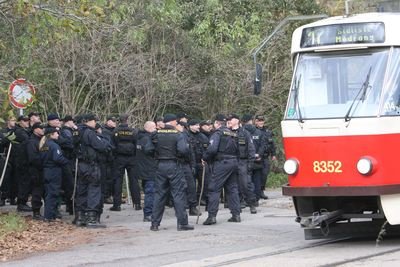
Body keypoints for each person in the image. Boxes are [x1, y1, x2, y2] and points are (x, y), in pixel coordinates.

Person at [149, 113, 194, 231]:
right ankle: (182, 223)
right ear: (173, 122)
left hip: (160, 165)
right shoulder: (178, 134)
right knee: (178, 194)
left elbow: (148, 149)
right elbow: (183, 150)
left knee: (159, 195)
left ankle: (154, 224)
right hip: (174, 165)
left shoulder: (156, 134)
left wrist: (156, 155)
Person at [203, 114, 241, 225]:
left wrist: (204, 157)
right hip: (233, 163)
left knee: (214, 189)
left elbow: (212, 149)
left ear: (217, 123)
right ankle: (236, 215)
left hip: (222, 163)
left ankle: (212, 216)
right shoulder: (233, 134)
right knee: (232, 189)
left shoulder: (218, 133)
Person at [75, 114, 109, 228]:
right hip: (91, 165)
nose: (95, 123)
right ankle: (91, 218)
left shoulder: (76, 131)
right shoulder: (90, 132)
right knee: (94, 190)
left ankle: (80, 217)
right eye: (94, 121)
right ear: (89, 121)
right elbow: (101, 146)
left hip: (81, 164)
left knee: (82, 190)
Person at [110, 114, 141, 211]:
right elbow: (137, 144)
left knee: (118, 181)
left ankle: (117, 205)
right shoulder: (134, 131)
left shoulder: (115, 131)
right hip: (131, 158)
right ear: (127, 120)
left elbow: (113, 145)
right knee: (134, 181)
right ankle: (137, 204)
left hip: (119, 158)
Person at [228, 114, 257, 214]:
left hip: (242, 161)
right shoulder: (227, 132)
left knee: (245, 184)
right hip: (230, 161)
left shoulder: (245, 133)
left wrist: (250, 163)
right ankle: (237, 205)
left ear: (236, 120)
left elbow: (251, 149)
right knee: (232, 185)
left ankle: (252, 204)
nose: (229, 121)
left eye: (231, 119)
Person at [39, 127, 70, 221]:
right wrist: (66, 161)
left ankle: (49, 215)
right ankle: (49, 216)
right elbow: (57, 158)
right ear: (51, 134)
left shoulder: (44, 145)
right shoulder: (53, 145)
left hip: (46, 171)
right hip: (54, 171)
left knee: (49, 193)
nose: (58, 135)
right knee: (53, 194)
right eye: (56, 133)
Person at [176, 121, 201, 216]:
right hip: (176, 163)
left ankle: (192, 207)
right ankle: (180, 208)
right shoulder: (173, 135)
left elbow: (191, 151)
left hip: (186, 163)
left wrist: (193, 165)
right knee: (179, 187)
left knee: (191, 186)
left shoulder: (185, 136)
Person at [136, 121, 157, 222]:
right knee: (151, 192)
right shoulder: (147, 139)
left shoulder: (139, 138)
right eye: (154, 127)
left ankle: (149, 212)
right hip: (150, 169)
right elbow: (149, 150)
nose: (156, 129)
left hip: (142, 169)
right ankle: (148, 213)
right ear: (148, 128)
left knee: (148, 191)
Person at [254, 115, 277, 199]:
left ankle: (261, 190)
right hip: (256, 157)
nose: (261, 122)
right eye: (259, 120)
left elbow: (272, 144)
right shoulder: (253, 131)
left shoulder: (268, 131)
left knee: (264, 174)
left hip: (265, 157)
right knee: (257, 175)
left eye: (262, 120)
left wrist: (273, 154)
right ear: (255, 121)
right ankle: (256, 191)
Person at [26, 122, 45, 220]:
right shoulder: (32, 142)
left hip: (43, 169)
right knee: (37, 191)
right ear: (35, 129)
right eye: (40, 128)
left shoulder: (42, 140)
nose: (42, 130)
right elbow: (33, 158)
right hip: (36, 170)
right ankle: (36, 212)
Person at [14, 115, 32, 212]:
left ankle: (23, 201)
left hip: (25, 160)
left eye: (27, 121)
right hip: (22, 161)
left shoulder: (25, 130)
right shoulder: (19, 132)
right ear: (20, 122)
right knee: (23, 182)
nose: (27, 122)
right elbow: (27, 141)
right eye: (25, 121)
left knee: (26, 182)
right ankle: (21, 203)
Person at [101, 116, 117, 204]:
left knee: (112, 178)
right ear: (107, 121)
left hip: (113, 158)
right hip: (107, 158)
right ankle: (106, 196)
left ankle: (112, 195)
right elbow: (108, 145)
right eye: (113, 121)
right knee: (108, 178)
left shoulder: (114, 130)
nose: (115, 123)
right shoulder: (105, 131)